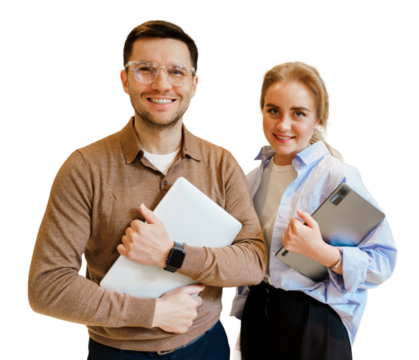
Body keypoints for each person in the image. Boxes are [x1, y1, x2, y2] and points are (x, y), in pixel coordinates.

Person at [27, 19, 266, 360]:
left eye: (176, 71)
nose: (161, 84)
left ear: (195, 83)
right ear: (124, 79)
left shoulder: (222, 162)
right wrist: (151, 312)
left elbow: (253, 262)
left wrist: (172, 253)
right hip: (118, 351)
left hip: (205, 345)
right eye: (145, 70)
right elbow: (46, 286)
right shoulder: (84, 167)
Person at [228, 60, 398, 360]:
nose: (283, 125)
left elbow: (384, 262)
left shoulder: (338, 177)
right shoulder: (250, 179)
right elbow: (253, 271)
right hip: (258, 317)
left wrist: (320, 251)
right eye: (274, 110)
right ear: (261, 111)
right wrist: (241, 339)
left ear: (317, 117)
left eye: (298, 114)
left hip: (314, 323)